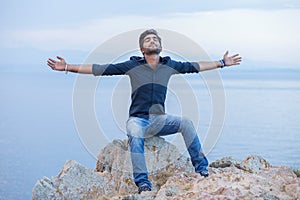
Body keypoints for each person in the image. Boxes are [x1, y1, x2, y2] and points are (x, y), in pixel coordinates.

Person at [47, 29, 242, 194]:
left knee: (186, 123)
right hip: (138, 120)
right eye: (148, 39)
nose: (152, 41)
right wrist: (67, 67)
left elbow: (195, 67)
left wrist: (222, 63)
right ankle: (143, 183)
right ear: (142, 49)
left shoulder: (169, 65)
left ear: (160, 47)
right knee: (134, 130)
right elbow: (100, 69)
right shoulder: (133, 65)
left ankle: (202, 170)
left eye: (155, 39)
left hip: (160, 120)